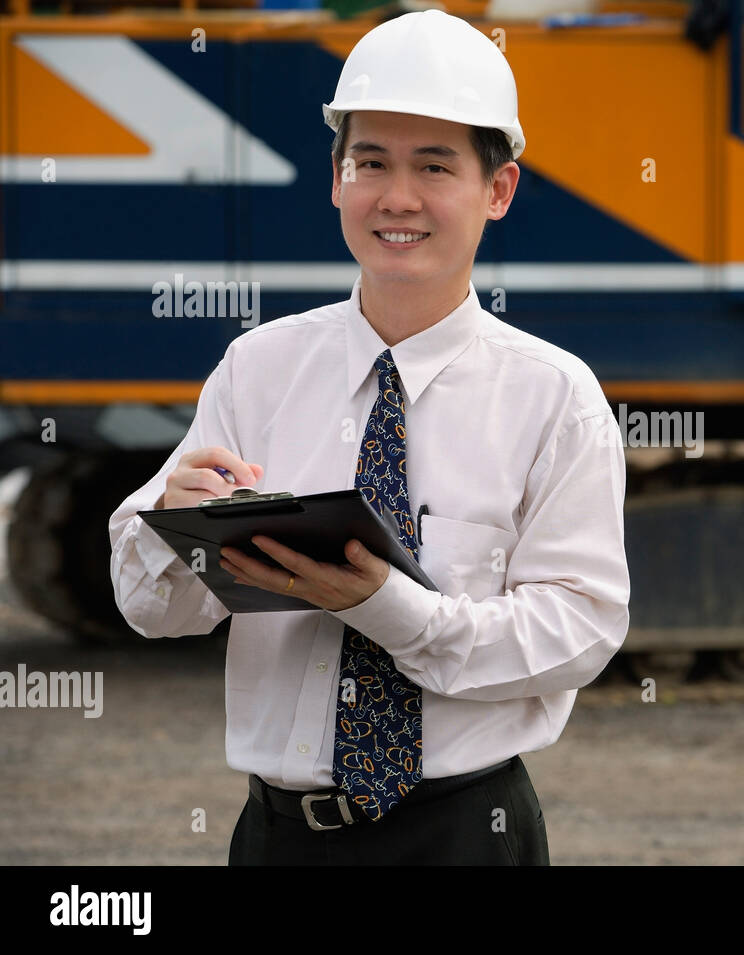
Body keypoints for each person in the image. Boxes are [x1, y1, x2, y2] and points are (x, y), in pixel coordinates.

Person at [107, 9, 631, 865]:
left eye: (435, 166)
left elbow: (581, 629)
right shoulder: (256, 369)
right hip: (279, 840)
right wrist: (170, 519)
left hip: (465, 833)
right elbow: (157, 612)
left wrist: (389, 610)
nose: (397, 197)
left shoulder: (554, 397)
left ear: (498, 191)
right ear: (337, 179)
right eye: (371, 162)